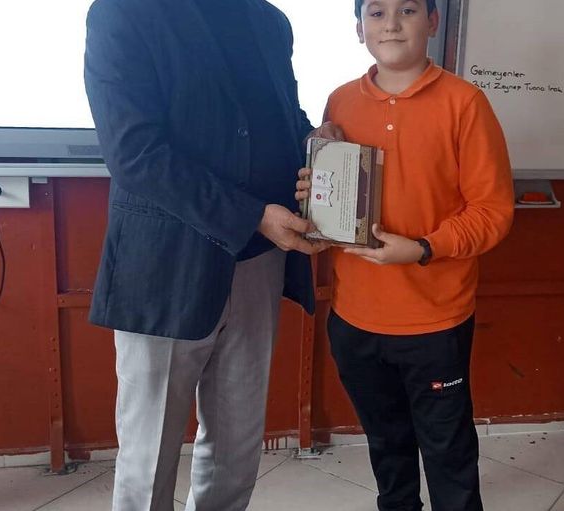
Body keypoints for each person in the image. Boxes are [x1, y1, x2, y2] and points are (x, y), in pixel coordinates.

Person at [83, 0, 336, 509]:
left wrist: (314, 139)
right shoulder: (124, 12)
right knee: (148, 452)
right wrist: (252, 216)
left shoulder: (268, 20)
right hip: (166, 267)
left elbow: (279, 117)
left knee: (237, 445)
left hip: (259, 261)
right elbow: (134, 152)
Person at [296, 0, 514, 509]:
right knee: (386, 445)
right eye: (376, 13)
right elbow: (335, 198)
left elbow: (493, 211)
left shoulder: (465, 102)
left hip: (434, 320)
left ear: (433, 22)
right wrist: (314, 197)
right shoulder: (339, 103)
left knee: (448, 451)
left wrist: (423, 249)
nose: (391, 24)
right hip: (354, 318)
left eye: (408, 10)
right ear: (359, 29)